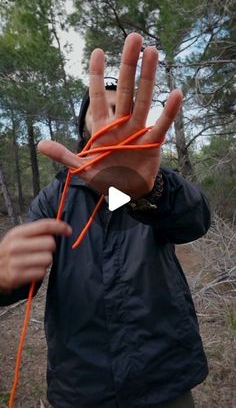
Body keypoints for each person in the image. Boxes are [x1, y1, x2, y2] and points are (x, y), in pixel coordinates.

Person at [0, 33, 211, 408]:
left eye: (123, 111)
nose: (112, 120)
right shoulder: (54, 198)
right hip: (82, 386)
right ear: (83, 126)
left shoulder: (156, 185)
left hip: (164, 380)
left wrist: (147, 192)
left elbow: (194, 221)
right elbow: (21, 284)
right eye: (102, 110)